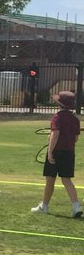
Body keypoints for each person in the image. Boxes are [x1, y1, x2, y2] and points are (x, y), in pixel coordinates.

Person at [32, 90, 82, 218]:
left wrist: (50, 152)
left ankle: (44, 206)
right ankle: (76, 206)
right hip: (69, 152)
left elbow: (55, 134)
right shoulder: (75, 119)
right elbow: (76, 138)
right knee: (67, 180)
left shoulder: (57, 117)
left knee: (50, 180)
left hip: (56, 152)